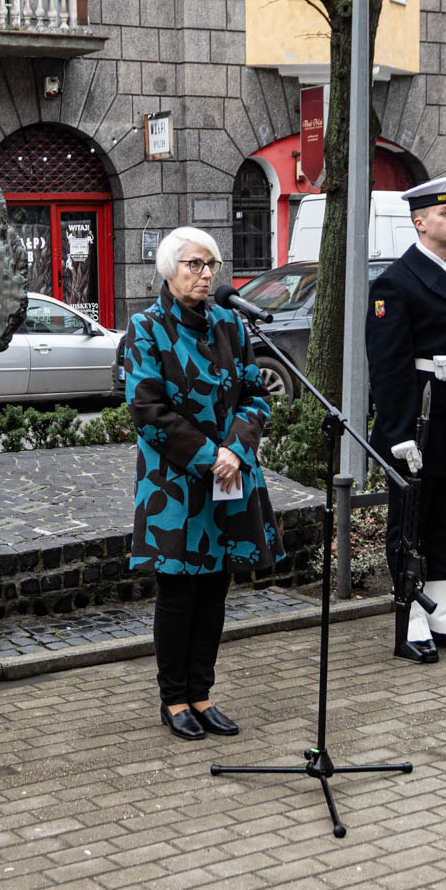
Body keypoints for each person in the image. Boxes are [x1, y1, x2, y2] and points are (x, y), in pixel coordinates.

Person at [126, 227, 283, 741]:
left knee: (215, 590)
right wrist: (209, 455)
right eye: (194, 264)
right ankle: (173, 699)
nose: (206, 273)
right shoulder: (146, 328)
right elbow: (147, 409)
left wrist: (235, 449)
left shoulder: (230, 324)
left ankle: (202, 694)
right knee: (178, 593)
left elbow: (255, 395)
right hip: (174, 485)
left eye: (211, 264)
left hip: (229, 478)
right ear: (169, 270)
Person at [366, 176, 446, 664]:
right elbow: (388, 367)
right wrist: (397, 434)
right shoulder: (396, 283)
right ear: (420, 223)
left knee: (445, 522)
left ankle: (441, 609)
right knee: (410, 525)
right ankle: (411, 617)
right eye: (445, 213)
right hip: (418, 421)